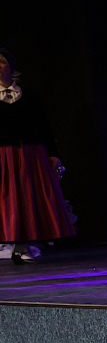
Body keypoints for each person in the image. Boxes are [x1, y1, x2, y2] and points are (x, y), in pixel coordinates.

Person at [0, 46, 76, 261]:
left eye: (1, 62)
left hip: (30, 154)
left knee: (27, 197)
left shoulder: (30, 95)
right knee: (6, 198)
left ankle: (24, 245)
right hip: (3, 155)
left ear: (11, 67)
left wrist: (53, 153)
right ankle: (8, 243)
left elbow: (45, 127)